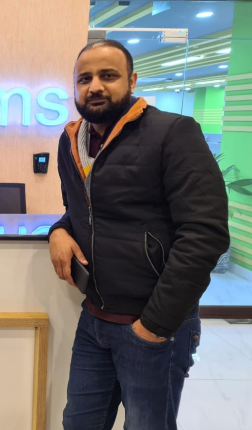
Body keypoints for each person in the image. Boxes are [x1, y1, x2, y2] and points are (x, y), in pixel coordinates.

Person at [49, 39, 229, 430]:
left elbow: (205, 233)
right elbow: (80, 210)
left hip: (154, 326)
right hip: (95, 319)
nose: (95, 86)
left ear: (131, 81)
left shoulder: (173, 133)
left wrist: (154, 326)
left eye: (108, 75)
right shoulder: (71, 140)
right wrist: (58, 230)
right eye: (84, 79)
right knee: (78, 423)